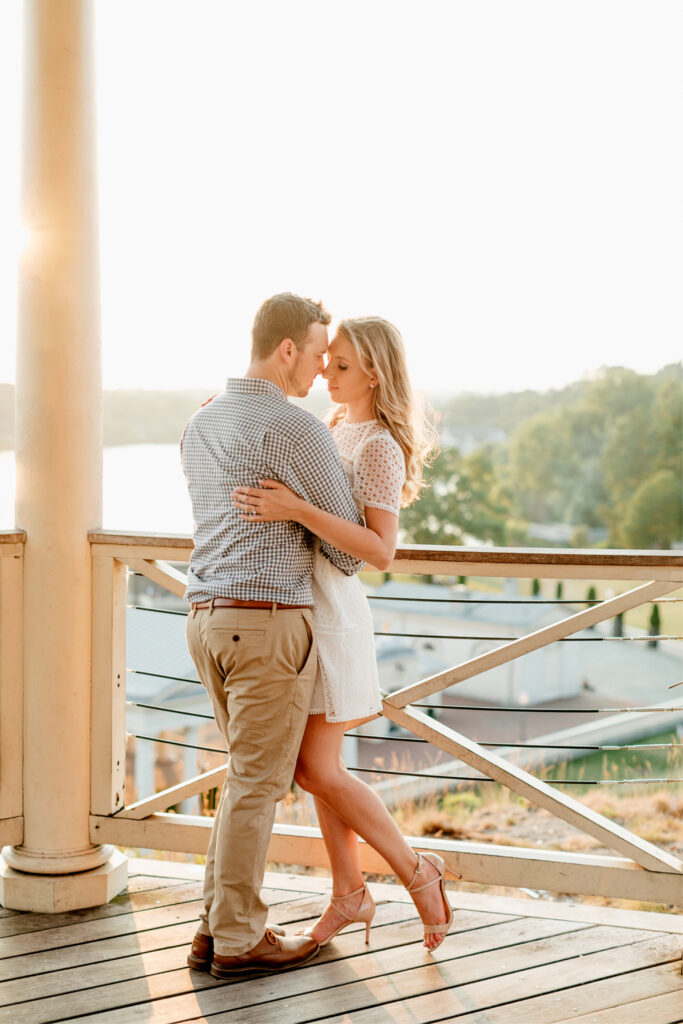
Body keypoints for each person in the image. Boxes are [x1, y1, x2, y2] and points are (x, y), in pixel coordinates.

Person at [232, 316, 455, 952]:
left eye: (342, 367)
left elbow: (381, 550)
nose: (326, 374)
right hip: (303, 607)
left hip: (333, 614)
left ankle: (418, 873)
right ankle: (349, 893)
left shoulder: (379, 444)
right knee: (317, 769)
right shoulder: (332, 427)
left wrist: (297, 509)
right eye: (327, 362)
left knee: (315, 768)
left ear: (376, 373)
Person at [181, 292, 365, 978]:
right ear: (286, 349)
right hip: (264, 626)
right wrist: (302, 509)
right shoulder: (297, 430)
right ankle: (239, 938)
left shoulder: (199, 423)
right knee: (256, 785)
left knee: (242, 781)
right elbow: (349, 554)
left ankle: (211, 930)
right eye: (318, 353)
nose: (321, 369)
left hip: (205, 621)